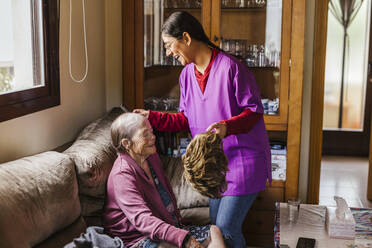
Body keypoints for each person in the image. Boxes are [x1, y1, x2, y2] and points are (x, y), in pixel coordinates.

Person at [134, 11, 271, 248]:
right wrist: (152, 117)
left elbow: (254, 112)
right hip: (214, 167)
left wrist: (226, 127)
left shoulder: (232, 68)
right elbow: (186, 120)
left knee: (226, 230)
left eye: (169, 45)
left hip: (242, 161)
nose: (168, 53)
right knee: (216, 226)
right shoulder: (186, 75)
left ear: (185, 38)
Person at [102, 113, 225, 248]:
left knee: (214, 231)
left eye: (152, 131)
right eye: (145, 134)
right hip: (136, 239)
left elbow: (166, 191)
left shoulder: (151, 155)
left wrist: (177, 223)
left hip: (163, 227)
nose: (153, 137)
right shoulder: (122, 175)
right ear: (126, 143)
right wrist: (185, 239)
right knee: (167, 246)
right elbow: (143, 221)